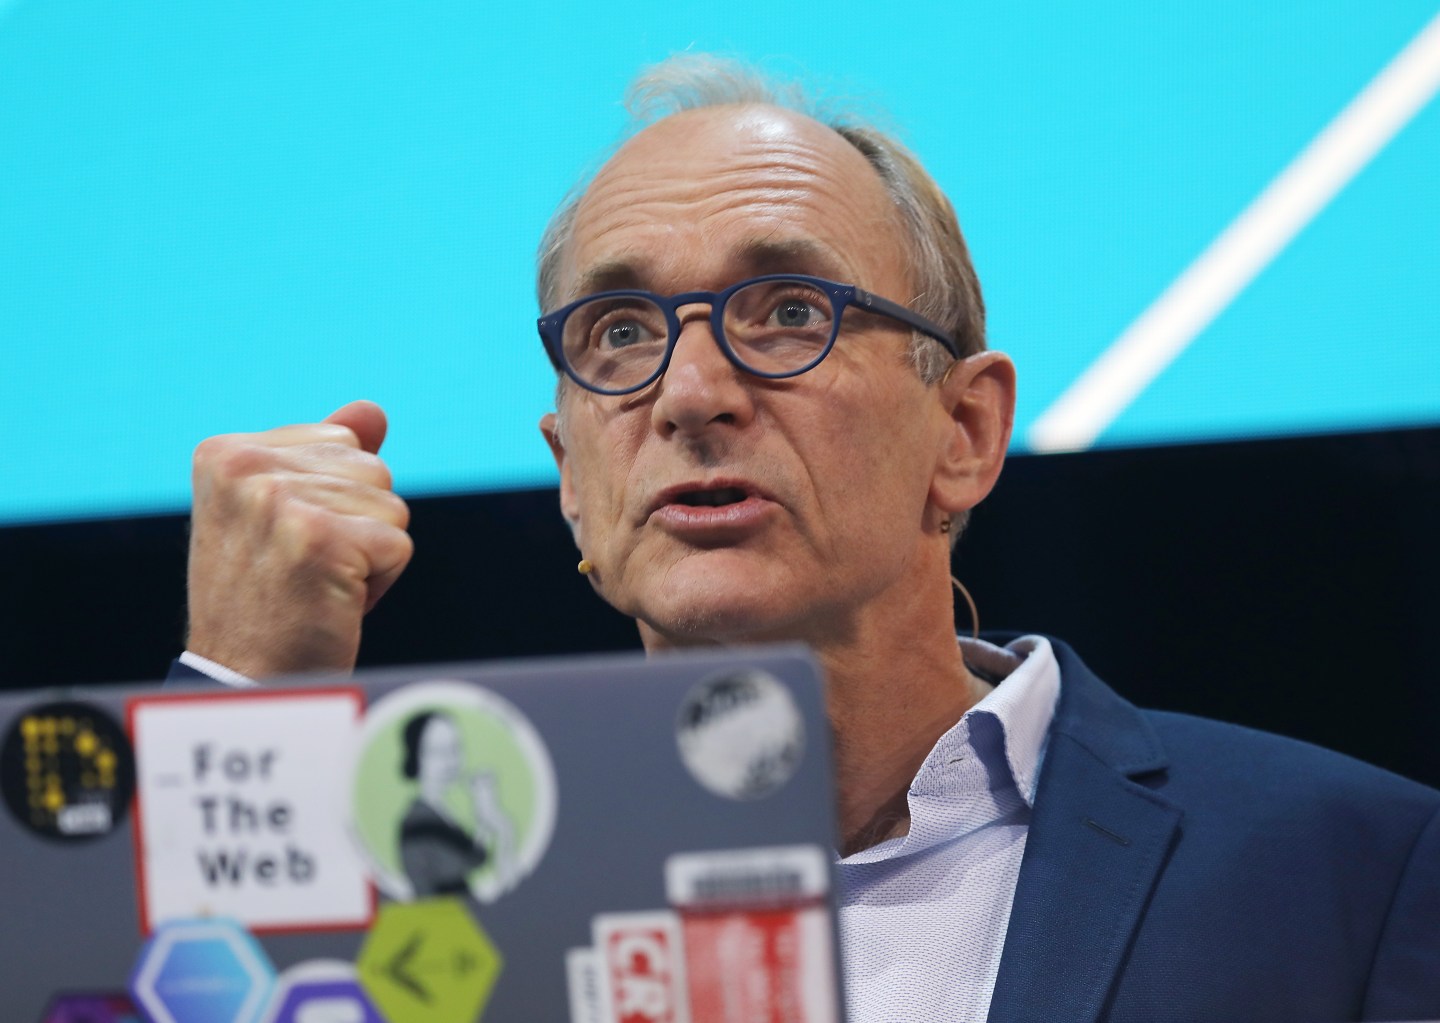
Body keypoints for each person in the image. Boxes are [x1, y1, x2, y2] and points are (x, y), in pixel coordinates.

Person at [174, 56, 1440, 1021]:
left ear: (965, 431)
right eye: (619, 332)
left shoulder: (1350, 867)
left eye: (787, 310)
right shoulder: (417, 912)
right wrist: (239, 707)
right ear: (572, 479)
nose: (689, 393)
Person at [396, 710, 515, 899]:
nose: (450, 761)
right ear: (416, 756)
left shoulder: (442, 811)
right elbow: (467, 865)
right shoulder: (418, 821)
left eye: (455, 749)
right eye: (438, 751)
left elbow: (474, 858)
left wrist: (488, 819)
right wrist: (498, 828)